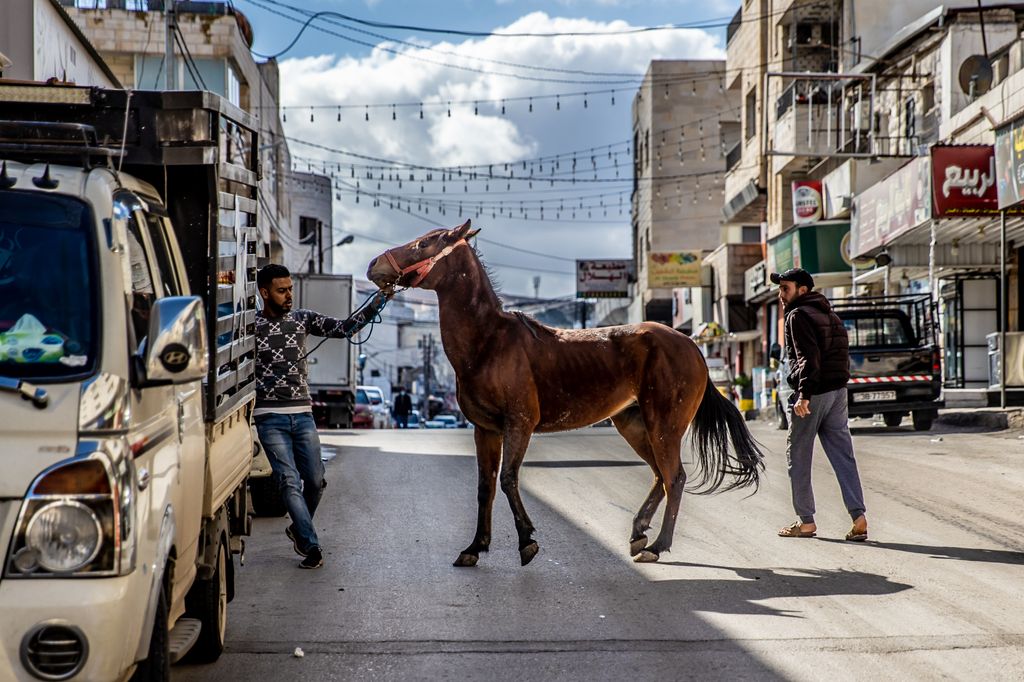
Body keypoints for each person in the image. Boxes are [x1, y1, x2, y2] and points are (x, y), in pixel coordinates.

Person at [255, 263, 357, 569]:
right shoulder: (249, 326)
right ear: (264, 293)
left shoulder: (302, 319)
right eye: (281, 290)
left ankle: (298, 528)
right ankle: (311, 546)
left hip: (302, 415)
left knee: (314, 480)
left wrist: (381, 299)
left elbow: (345, 328)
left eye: (290, 289)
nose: (288, 295)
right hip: (268, 416)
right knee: (288, 480)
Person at [771, 267, 869, 543]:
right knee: (843, 456)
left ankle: (806, 522)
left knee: (798, 456)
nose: (781, 294)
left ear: (802, 290)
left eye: (785, 288)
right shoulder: (830, 314)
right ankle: (858, 517)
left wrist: (804, 395)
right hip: (838, 393)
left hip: (813, 395)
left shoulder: (797, 315)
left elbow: (807, 359)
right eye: (780, 288)